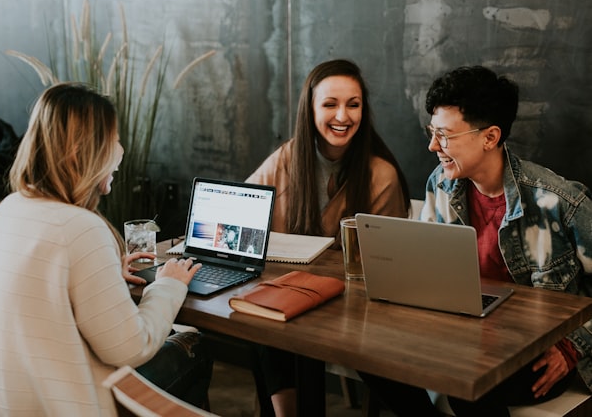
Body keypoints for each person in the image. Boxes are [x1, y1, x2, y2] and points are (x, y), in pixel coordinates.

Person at [363, 65, 592, 416]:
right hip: (463, 337)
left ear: (490, 137)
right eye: (432, 132)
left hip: (534, 352)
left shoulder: (558, 201)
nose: (432, 145)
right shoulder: (441, 184)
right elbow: (426, 273)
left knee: (467, 378)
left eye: (444, 135)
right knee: (368, 354)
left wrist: (573, 347)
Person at [0, 83, 212, 416]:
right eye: (114, 139)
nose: (120, 150)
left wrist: (103, 271)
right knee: (196, 347)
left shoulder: (8, 210)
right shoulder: (81, 227)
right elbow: (130, 348)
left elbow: (39, 296)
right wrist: (169, 284)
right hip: (69, 405)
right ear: (83, 151)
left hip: (13, 403)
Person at [246, 59, 411, 416]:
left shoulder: (380, 175)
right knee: (262, 319)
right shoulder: (289, 156)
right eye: (330, 104)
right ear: (310, 109)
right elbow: (244, 207)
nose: (343, 116)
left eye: (353, 104)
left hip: (352, 310)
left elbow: (387, 266)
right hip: (292, 298)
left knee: (271, 323)